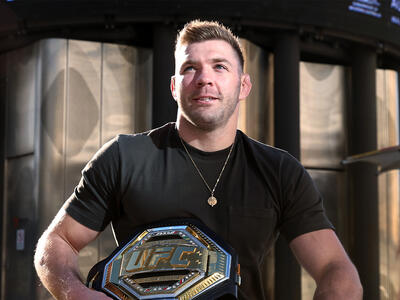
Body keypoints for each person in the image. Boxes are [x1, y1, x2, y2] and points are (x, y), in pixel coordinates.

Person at [34, 20, 363, 299]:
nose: (205, 78)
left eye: (220, 67)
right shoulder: (124, 157)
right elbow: (58, 242)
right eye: (190, 68)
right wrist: (76, 294)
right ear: (175, 87)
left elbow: (336, 268)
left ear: (243, 85)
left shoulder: (278, 171)